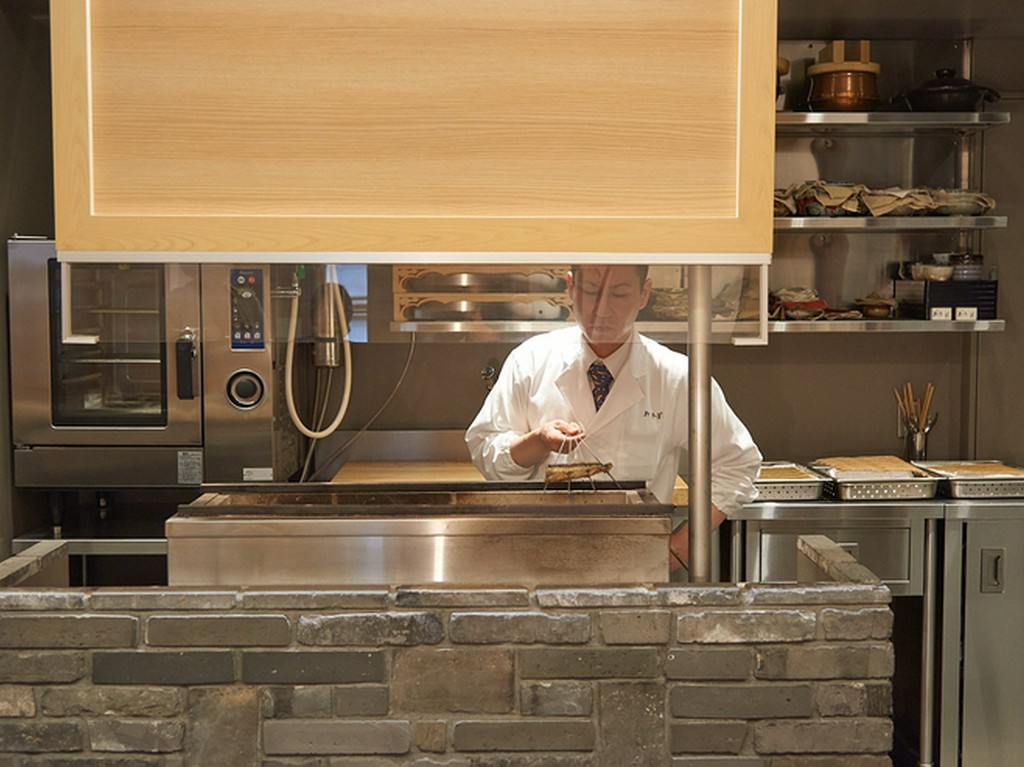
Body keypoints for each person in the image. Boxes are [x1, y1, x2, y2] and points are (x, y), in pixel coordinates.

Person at [465, 264, 761, 570]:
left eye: (619, 294)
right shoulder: (530, 361)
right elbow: (487, 452)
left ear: (644, 293)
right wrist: (538, 442)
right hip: (538, 557)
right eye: (590, 291)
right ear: (570, 287)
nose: (601, 309)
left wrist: (679, 547)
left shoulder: (677, 377)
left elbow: (738, 465)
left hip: (635, 565)